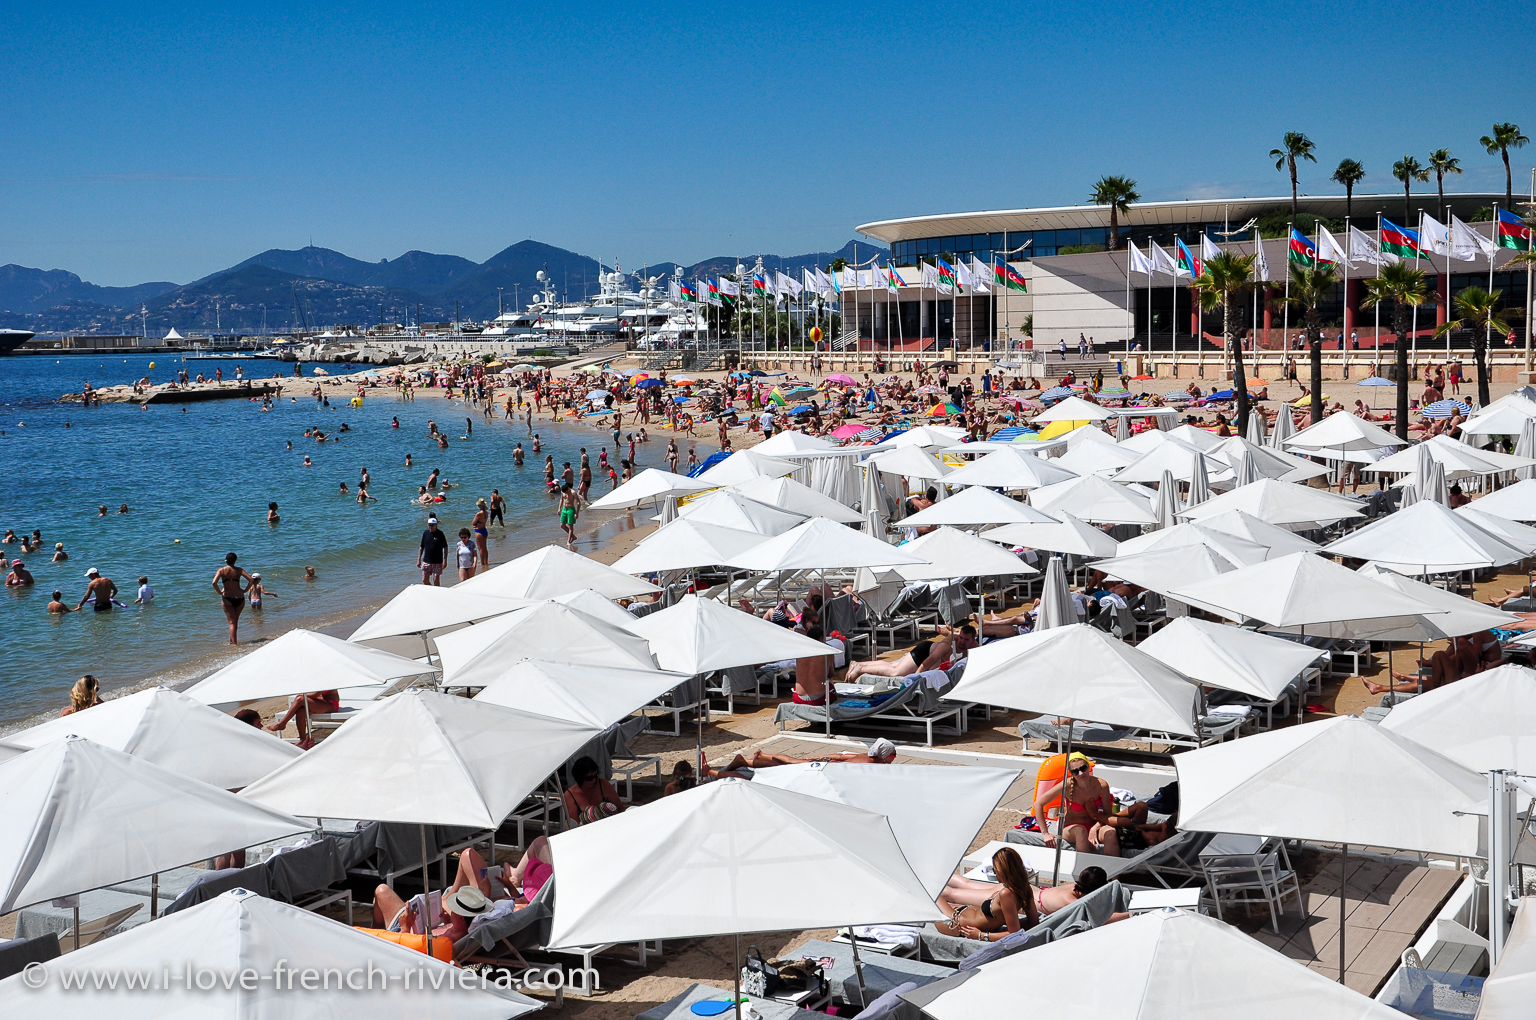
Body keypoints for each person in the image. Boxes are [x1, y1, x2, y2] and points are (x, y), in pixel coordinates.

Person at [935, 847, 1039, 941]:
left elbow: (1014, 933)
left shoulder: (1006, 894)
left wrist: (981, 935)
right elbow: (1033, 922)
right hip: (961, 913)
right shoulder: (1025, 888)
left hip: (957, 924)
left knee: (933, 895)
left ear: (1003, 870)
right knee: (937, 895)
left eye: (995, 870)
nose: (996, 874)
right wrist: (1010, 921)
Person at [1034, 752, 1121, 855]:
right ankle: (1084, 868)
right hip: (1072, 829)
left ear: (1088, 767)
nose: (1080, 773)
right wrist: (1045, 833)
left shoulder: (1101, 785)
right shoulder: (1066, 785)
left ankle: (1111, 869)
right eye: (1075, 771)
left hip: (1094, 825)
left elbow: (1108, 815)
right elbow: (1038, 804)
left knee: (1111, 832)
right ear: (1070, 773)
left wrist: (1095, 828)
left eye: (1083, 768)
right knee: (1080, 831)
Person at [705, 738, 898, 778]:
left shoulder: (868, 757)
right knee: (789, 763)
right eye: (892, 758)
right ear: (885, 756)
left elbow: (840, 756)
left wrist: (822, 756)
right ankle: (760, 756)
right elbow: (840, 760)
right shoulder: (871, 763)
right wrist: (820, 758)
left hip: (825, 764)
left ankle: (746, 761)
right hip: (822, 768)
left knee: (787, 765)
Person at [844, 627, 977, 681]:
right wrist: (916, 677)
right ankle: (861, 669)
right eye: (961, 638)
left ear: (973, 640)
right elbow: (930, 660)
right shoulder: (947, 644)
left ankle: (859, 663)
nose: (962, 642)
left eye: (966, 640)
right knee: (895, 672)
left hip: (928, 655)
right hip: (923, 653)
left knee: (894, 665)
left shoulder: (974, 647)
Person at [267, 689, 340, 748]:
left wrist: (301, 695)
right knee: (301, 711)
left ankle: (282, 723)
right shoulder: (317, 680)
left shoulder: (327, 680)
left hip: (331, 704)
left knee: (300, 699)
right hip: (320, 702)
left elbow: (315, 694)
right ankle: (303, 740)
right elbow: (316, 695)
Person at [563, 756, 624, 824]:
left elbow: (620, 809)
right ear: (580, 778)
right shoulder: (570, 795)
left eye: (596, 776)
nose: (594, 780)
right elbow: (575, 824)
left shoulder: (603, 784)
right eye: (589, 778)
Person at [211, 553, 249, 643]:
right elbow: (251, 580)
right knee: (235, 621)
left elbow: (214, 583)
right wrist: (245, 590)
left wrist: (220, 592)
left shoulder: (221, 570)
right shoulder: (239, 570)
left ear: (226, 560)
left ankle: (234, 645)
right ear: (235, 561)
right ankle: (232, 641)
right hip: (239, 597)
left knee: (232, 622)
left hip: (227, 597)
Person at [791, 625, 834, 705]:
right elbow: (831, 674)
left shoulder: (799, 652)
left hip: (799, 697)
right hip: (820, 698)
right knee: (830, 683)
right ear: (821, 638)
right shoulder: (827, 652)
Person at [418, 516, 448, 585]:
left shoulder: (440, 534)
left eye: (432, 525)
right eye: (429, 525)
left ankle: (436, 593)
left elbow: (445, 547)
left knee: (436, 579)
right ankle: (431, 591)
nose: (430, 527)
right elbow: (421, 547)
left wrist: (445, 560)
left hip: (437, 561)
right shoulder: (425, 533)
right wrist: (419, 559)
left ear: (436, 525)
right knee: (424, 580)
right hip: (426, 560)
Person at [557, 481, 581, 550]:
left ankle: (568, 541)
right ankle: (573, 536)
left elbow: (578, 503)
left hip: (571, 509)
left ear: (568, 489)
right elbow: (561, 499)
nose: (565, 494)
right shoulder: (563, 492)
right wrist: (559, 508)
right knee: (562, 525)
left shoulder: (573, 492)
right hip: (564, 509)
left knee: (570, 526)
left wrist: (577, 513)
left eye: (566, 492)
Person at [472, 500, 490, 566]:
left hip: (479, 531)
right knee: (485, 547)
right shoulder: (486, 513)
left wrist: (475, 525)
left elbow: (473, 522)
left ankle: (482, 563)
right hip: (484, 530)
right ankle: (486, 562)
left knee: (480, 548)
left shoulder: (479, 514)